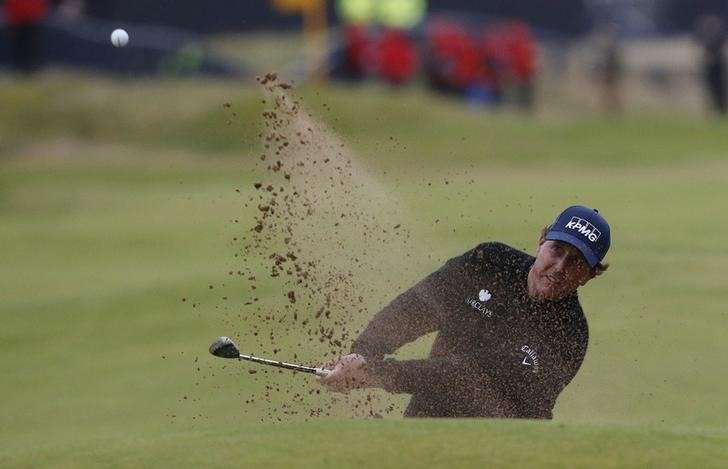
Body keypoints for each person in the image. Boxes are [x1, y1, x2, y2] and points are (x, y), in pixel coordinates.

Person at [319, 205, 611, 418]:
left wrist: (378, 374)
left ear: (590, 275)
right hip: (427, 418)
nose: (560, 267)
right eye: (557, 250)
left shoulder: (568, 334)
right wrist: (365, 353)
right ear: (541, 242)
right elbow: (418, 306)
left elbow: (470, 375)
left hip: (504, 447)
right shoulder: (490, 262)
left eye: (575, 262)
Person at [3, 0, 50, 74]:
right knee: (19, 45)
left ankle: (31, 67)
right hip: (17, 19)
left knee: (31, 45)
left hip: (31, 18)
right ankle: (20, 67)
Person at [696, 15, 727, 115]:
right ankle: (714, 109)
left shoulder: (718, 36)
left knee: (719, 88)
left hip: (717, 65)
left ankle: (721, 108)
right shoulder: (706, 36)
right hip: (709, 65)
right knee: (710, 88)